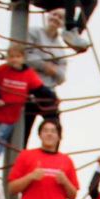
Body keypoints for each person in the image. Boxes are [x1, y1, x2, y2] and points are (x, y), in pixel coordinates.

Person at [0, 46, 45, 167]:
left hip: (10, 117)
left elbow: (40, 89)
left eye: (17, 57)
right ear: (7, 58)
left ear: (23, 58)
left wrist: (52, 98)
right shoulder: (2, 70)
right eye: (11, 57)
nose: (14, 60)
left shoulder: (29, 74)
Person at [24, 9, 70, 137]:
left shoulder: (60, 48)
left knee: (55, 126)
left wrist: (52, 69)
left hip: (48, 90)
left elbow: (62, 77)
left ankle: (52, 153)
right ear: (48, 15)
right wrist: (45, 66)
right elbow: (26, 57)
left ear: (62, 24)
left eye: (60, 17)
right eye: (54, 14)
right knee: (23, 129)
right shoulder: (33, 32)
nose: (56, 18)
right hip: (30, 88)